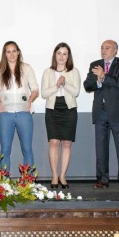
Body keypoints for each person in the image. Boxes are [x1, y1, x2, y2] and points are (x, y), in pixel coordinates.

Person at [83, 40, 119, 190]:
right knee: (101, 148)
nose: (103, 50)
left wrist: (104, 76)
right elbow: (87, 85)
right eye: (102, 48)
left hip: (117, 111)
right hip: (100, 111)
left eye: (107, 48)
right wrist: (97, 81)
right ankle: (102, 180)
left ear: (115, 50)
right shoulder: (95, 64)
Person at [0, 41, 39, 172]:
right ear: (5, 54)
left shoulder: (27, 68)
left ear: (18, 52)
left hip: (24, 113)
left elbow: (35, 89)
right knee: (5, 150)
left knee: (27, 149)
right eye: (8, 51)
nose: (11, 54)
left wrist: (30, 100)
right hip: (5, 113)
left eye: (14, 51)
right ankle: (4, 184)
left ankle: (28, 182)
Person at [41, 42, 81, 189]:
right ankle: (54, 176)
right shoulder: (48, 72)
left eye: (65, 54)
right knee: (53, 142)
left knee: (66, 143)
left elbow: (76, 92)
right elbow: (44, 93)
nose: (62, 56)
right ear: (55, 55)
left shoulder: (74, 71)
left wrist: (65, 84)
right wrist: (57, 85)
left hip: (69, 109)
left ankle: (63, 175)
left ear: (68, 56)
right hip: (53, 109)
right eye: (59, 53)